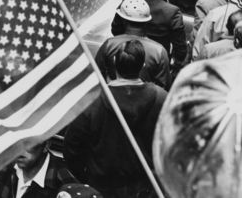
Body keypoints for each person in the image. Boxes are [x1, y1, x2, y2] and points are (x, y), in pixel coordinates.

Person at [64, 40, 167, 197]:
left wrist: (86, 176)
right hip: (144, 188)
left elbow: (72, 147)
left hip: (100, 188)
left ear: (114, 63)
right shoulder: (161, 98)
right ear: (143, 65)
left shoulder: (93, 100)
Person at [114, 0, 187, 64]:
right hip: (157, 61)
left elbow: (115, 29)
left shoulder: (128, 0)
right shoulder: (172, 11)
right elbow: (180, 48)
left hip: (127, 57)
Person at [95, 0, 171, 90]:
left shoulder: (109, 45)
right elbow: (164, 87)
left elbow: (96, 78)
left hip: (113, 101)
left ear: (123, 20)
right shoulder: (159, 51)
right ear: (146, 22)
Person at [0, 141, 77, 198]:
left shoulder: (65, 182)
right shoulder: (3, 169)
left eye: (28, 142)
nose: (19, 150)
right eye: (16, 141)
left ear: (46, 145)